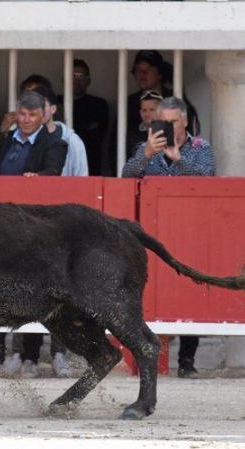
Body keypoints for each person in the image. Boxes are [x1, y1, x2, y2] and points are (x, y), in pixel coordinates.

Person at [0, 90, 67, 379]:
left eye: (32, 115)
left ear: (43, 115)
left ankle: (43, 356)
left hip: (36, 229)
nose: (26, 120)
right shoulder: (6, 140)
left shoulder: (55, 144)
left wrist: (39, 181)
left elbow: (55, 175)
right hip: (3, 226)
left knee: (45, 292)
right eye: (21, 115)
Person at [122, 97, 215, 379]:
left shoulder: (200, 148)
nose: (167, 127)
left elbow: (209, 179)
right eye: (161, 121)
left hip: (190, 228)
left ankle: (187, 360)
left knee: (190, 288)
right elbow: (126, 177)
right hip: (153, 231)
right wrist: (148, 154)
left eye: (173, 122)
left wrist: (179, 159)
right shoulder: (146, 147)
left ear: (185, 121)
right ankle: (148, 356)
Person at [58, 59, 109, 176]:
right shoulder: (55, 103)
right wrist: (84, 128)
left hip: (90, 164)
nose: (77, 80)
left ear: (88, 81)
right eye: (73, 76)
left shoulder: (98, 105)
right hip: (59, 166)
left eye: (81, 76)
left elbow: (95, 138)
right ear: (63, 79)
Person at [126, 90, 163, 159]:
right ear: (140, 113)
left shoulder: (172, 133)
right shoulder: (132, 135)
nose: (147, 114)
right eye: (144, 110)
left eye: (152, 110)